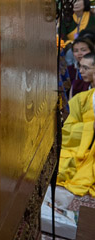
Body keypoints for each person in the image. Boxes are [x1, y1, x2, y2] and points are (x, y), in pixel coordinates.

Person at [58, 53, 95, 195]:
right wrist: (89, 128)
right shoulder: (81, 97)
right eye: (80, 67)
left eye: (86, 68)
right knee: (62, 166)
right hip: (81, 148)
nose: (81, 71)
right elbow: (66, 129)